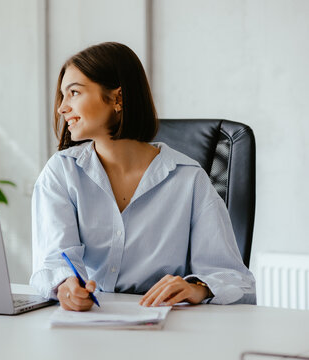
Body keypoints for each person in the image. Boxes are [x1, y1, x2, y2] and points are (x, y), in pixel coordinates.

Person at [29, 42, 256, 311]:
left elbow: (237, 281)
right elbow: (52, 262)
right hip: (85, 324)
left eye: (74, 92)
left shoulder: (189, 179)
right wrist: (66, 286)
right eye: (62, 95)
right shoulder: (61, 172)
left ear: (117, 98)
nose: (61, 108)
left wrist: (197, 287)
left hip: (166, 328)